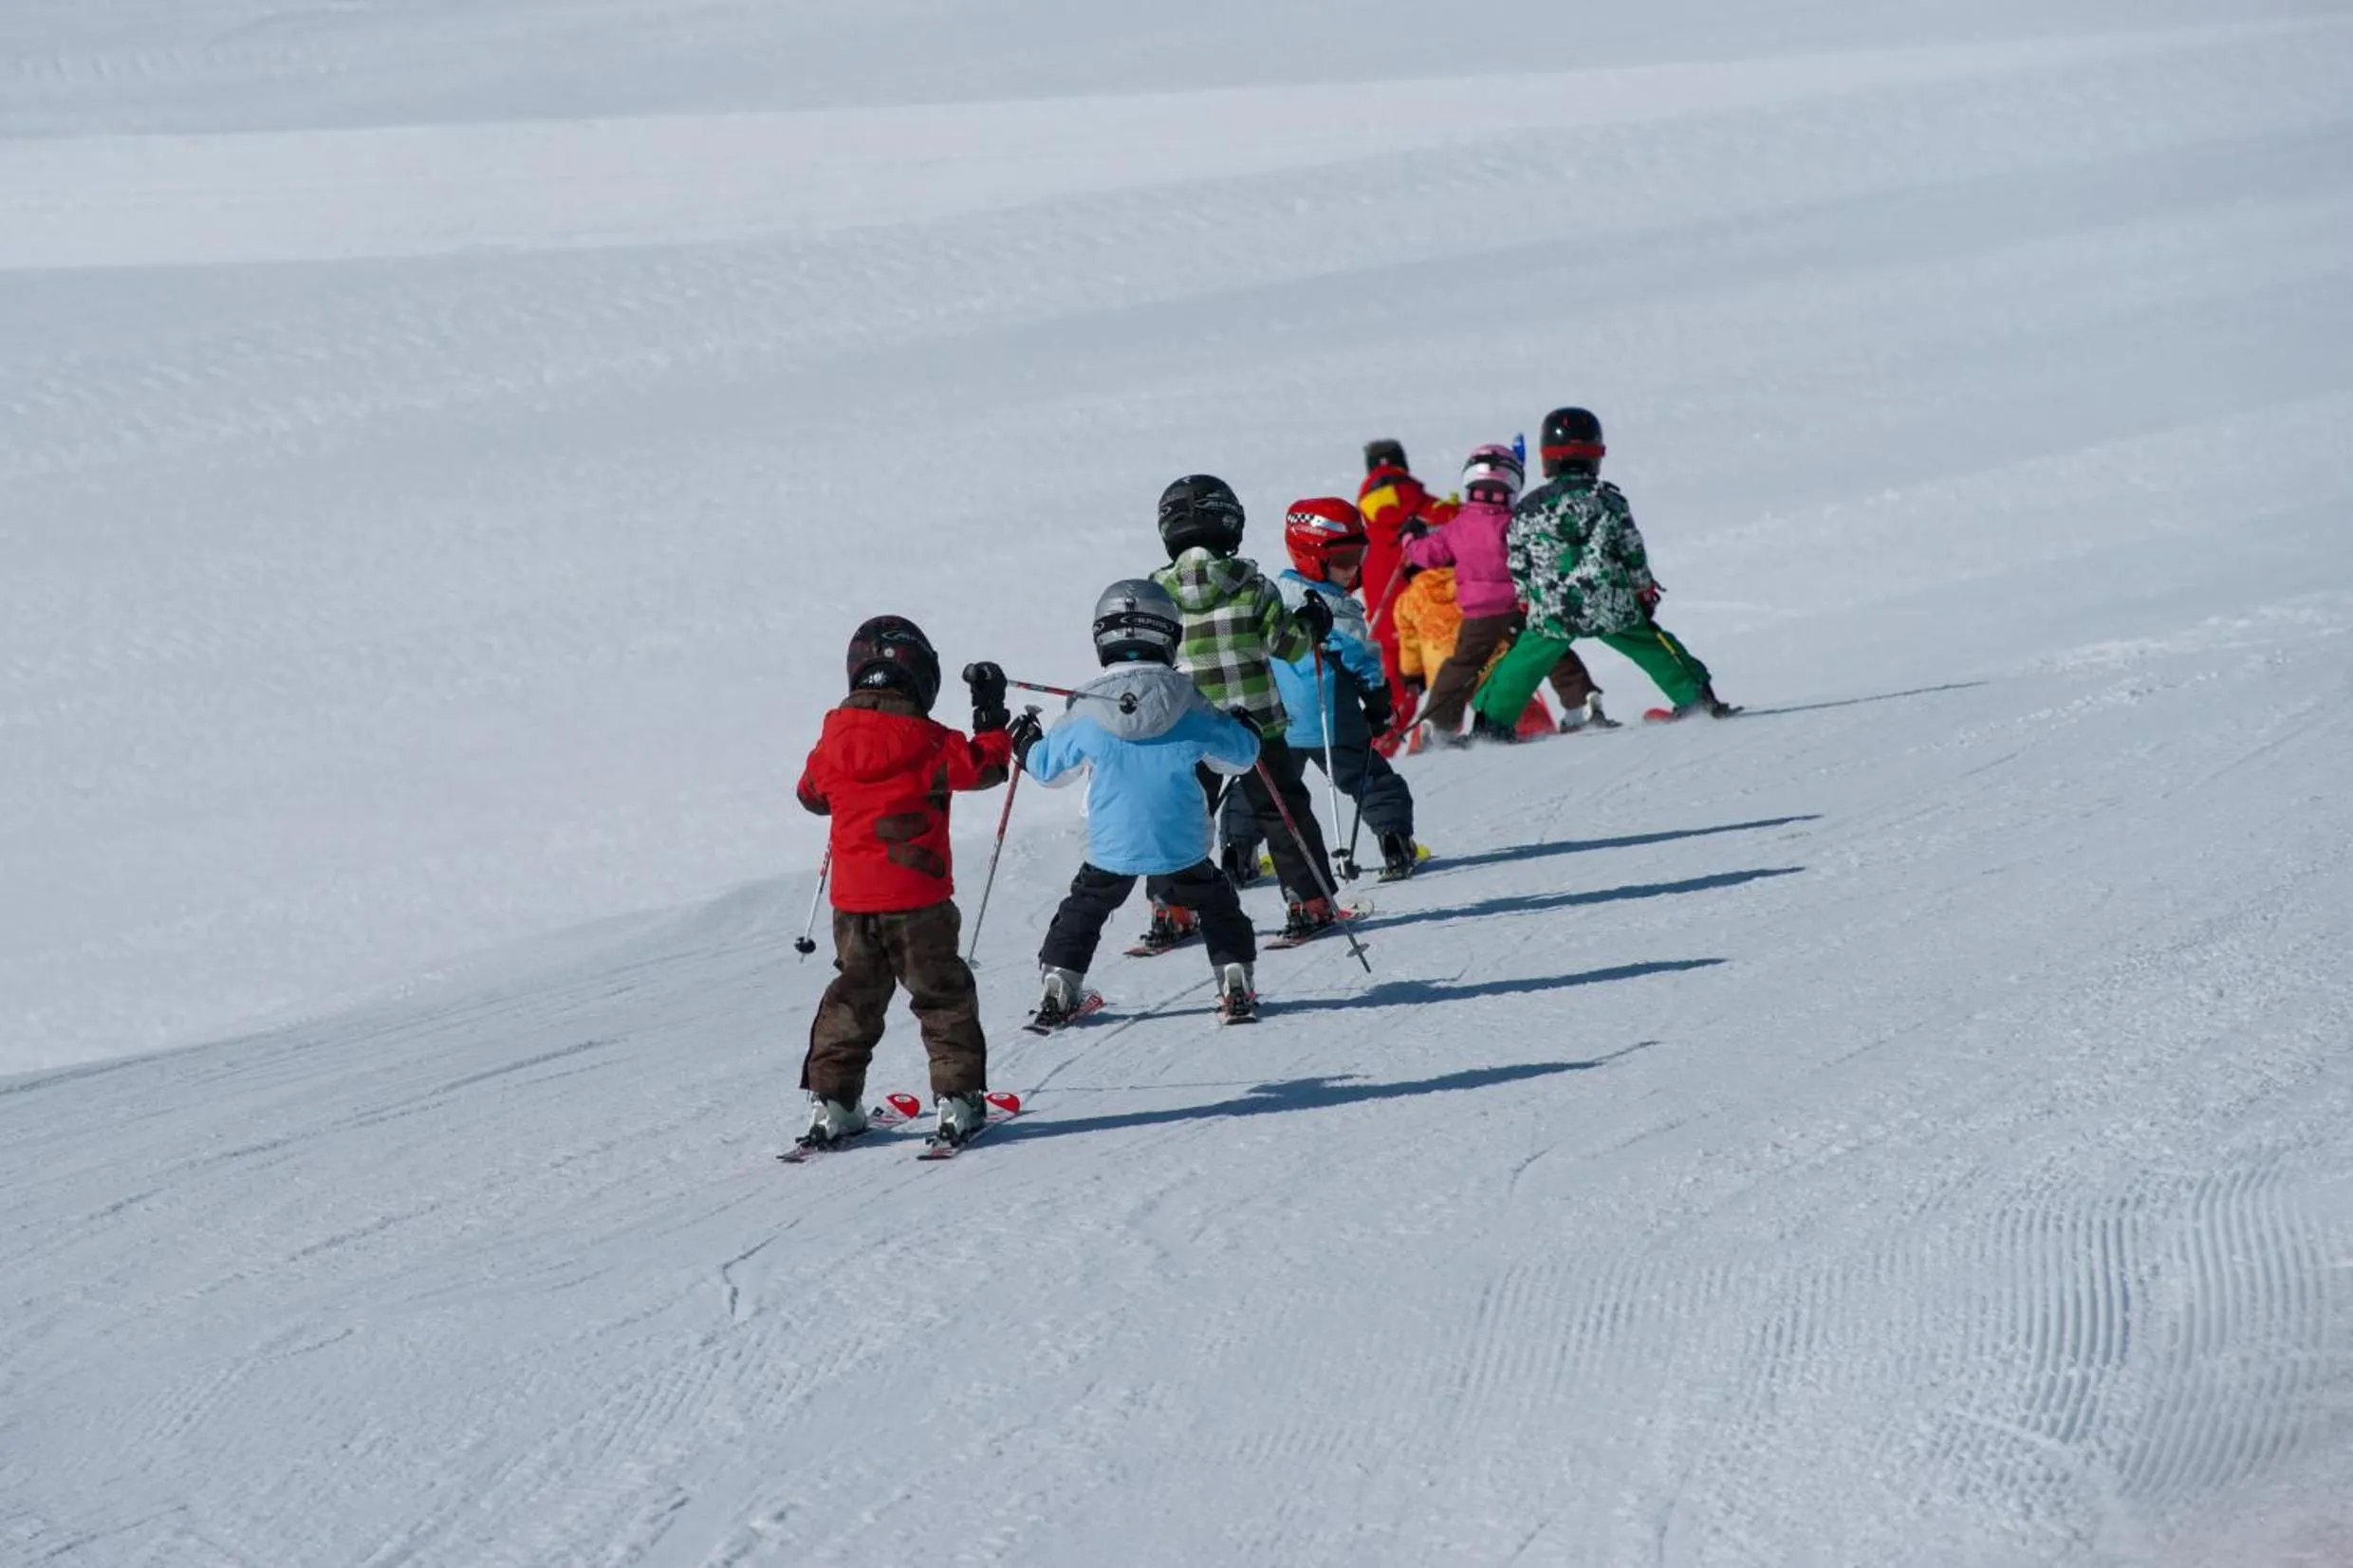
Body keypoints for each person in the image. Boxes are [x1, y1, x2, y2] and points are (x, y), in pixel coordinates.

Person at [792, 617, 1016, 1150]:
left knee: (854, 997)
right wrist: (990, 714)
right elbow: (986, 767)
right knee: (941, 996)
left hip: (853, 905)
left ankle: (834, 1102)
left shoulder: (833, 739)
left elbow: (810, 794)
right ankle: (957, 1098)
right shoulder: (930, 741)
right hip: (919, 902)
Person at [1020, 580, 1265, 1024]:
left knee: (1086, 905)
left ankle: (1060, 981)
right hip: (1180, 841)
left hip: (1111, 843)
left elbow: (1048, 771)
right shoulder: (1187, 700)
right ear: (1170, 635)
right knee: (1216, 902)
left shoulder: (1087, 708)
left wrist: (1025, 743)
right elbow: (1240, 758)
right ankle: (1234, 977)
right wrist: (1245, 728)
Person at [1149, 473, 1343, 941]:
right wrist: (1313, 623)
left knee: (1182, 813)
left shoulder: (1156, 593)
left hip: (1187, 728)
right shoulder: (1251, 585)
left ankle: (1172, 907)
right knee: (1281, 809)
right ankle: (1309, 900)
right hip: (1255, 727)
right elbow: (1289, 646)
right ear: (1228, 524)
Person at [1472, 409, 1736, 739]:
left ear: (1547, 459)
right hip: (1609, 602)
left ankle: (1491, 723)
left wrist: (1525, 599)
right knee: (1652, 646)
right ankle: (1696, 698)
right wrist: (1643, 590)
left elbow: (1519, 561)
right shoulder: (1609, 501)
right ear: (1595, 456)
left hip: (1554, 609)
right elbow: (1631, 551)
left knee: (1523, 662)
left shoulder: (1530, 508)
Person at [1218, 498, 1419, 882]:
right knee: (1371, 779)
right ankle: (1395, 842)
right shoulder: (1337, 609)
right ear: (1310, 558)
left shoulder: (1270, 599)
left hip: (1276, 723)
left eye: (1359, 556)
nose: (1354, 568)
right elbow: (1363, 663)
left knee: (1261, 786)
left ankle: (1237, 853)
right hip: (1333, 720)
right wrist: (1378, 706)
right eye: (1344, 559)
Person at [1404, 442, 1616, 744]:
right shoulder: (1516, 523)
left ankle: (1439, 725)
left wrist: (1410, 539)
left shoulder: (1458, 527)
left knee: (1462, 666)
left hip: (1478, 616)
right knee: (1551, 652)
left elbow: (1427, 555)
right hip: (1520, 609)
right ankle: (1581, 705)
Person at [1356, 439, 1460, 746]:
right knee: (1452, 689)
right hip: (1435, 622)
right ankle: (1434, 745)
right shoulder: (1432, 509)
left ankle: (1379, 754)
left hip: (1386, 627)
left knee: (1394, 704)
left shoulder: (1360, 522)